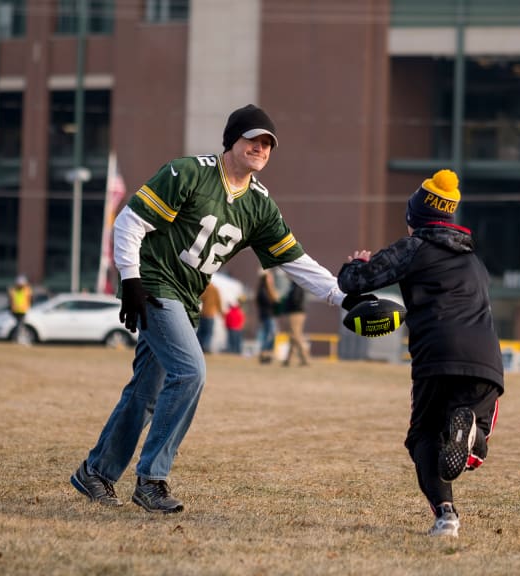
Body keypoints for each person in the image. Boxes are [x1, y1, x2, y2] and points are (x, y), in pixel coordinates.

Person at [71, 104, 360, 513]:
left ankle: (95, 472)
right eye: (253, 139)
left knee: (146, 393)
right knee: (191, 372)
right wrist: (132, 279)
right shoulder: (189, 172)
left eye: (267, 144)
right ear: (232, 140)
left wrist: (343, 297)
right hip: (155, 284)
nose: (260, 148)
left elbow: (295, 261)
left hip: (187, 297)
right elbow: (129, 222)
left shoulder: (259, 205)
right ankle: (152, 479)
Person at [337, 169, 504, 538]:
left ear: (415, 217)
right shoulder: (475, 262)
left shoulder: (414, 247)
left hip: (436, 354)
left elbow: (351, 284)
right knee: (472, 445)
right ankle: (470, 433)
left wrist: (357, 264)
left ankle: (447, 517)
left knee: (423, 436)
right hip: (485, 359)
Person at [255, 268, 279, 364]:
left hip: (267, 316)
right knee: (269, 335)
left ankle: (267, 354)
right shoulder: (264, 290)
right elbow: (271, 302)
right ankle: (265, 354)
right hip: (267, 316)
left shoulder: (264, 289)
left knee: (268, 335)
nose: (271, 279)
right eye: (270, 277)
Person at [281, 282, 309, 367]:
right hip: (297, 312)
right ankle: (288, 360)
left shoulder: (297, 285)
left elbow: (295, 299)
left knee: (296, 336)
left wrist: (286, 303)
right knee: (293, 336)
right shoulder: (295, 285)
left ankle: (305, 358)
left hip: (296, 313)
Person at [196, 282, 222, 353]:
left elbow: (200, 298)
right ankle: (205, 347)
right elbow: (218, 302)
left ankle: (200, 347)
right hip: (210, 314)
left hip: (203, 313)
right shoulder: (215, 289)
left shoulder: (205, 288)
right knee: (208, 332)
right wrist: (220, 312)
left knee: (201, 332)